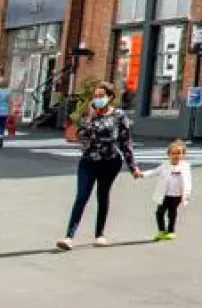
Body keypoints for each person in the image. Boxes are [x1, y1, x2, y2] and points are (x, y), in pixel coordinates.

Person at [57, 81, 142, 250]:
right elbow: (80, 137)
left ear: (109, 97)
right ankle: (69, 236)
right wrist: (89, 118)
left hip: (110, 162)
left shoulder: (119, 116)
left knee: (102, 196)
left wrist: (133, 167)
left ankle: (99, 234)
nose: (97, 99)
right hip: (88, 161)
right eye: (95, 96)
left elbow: (125, 143)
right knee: (82, 196)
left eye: (101, 96)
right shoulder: (89, 114)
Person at [149, 140, 193, 240]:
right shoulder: (165, 166)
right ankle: (161, 231)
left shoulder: (185, 167)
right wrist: (141, 174)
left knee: (171, 213)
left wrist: (187, 194)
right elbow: (154, 172)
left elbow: (188, 182)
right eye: (173, 153)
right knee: (159, 212)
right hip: (164, 194)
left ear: (183, 155)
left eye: (179, 153)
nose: (176, 155)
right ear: (168, 155)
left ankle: (171, 231)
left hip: (176, 196)